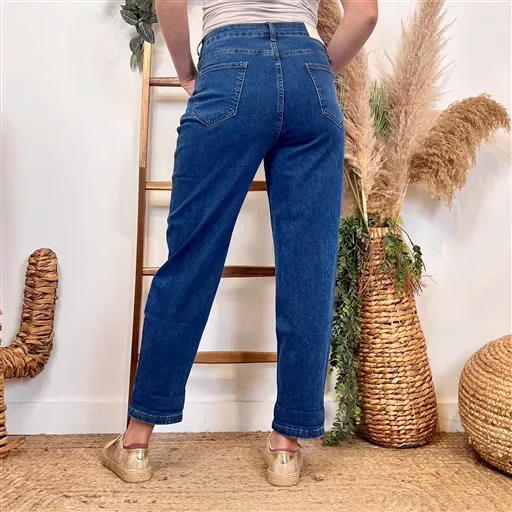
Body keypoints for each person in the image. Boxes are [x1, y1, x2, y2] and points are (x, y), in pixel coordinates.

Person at [103, 0, 378, 486]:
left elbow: (169, 2)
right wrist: (316, 69)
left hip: (228, 64)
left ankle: (136, 444)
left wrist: (188, 73)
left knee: (190, 259)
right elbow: (365, 14)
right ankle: (286, 448)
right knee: (309, 270)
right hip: (310, 74)